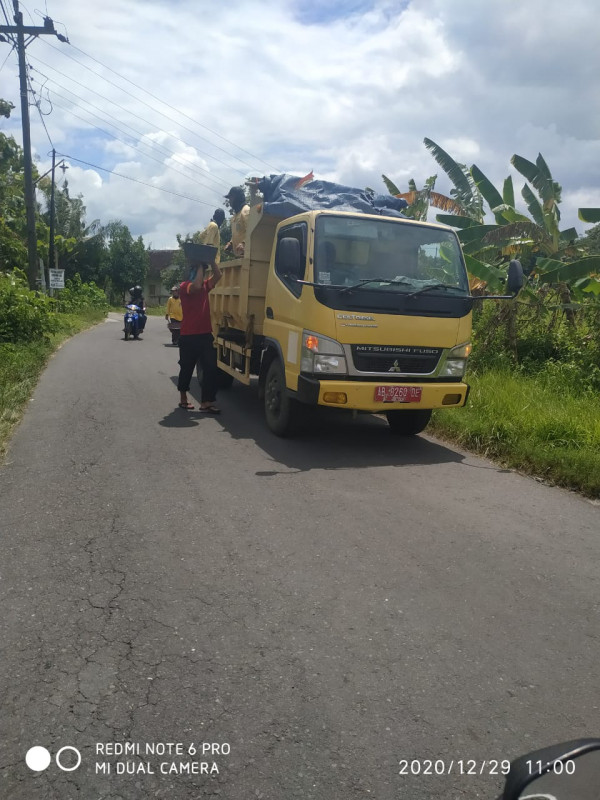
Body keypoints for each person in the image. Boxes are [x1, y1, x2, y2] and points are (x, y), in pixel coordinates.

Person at [177, 257, 222, 412]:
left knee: (210, 368)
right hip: (188, 336)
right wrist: (199, 265)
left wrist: (211, 261)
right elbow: (196, 286)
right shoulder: (184, 287)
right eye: (198, 271)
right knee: (186, 368)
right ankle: (183, 399)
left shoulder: (204, 286)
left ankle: (207, 402)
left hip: (205, 335)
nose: (200, 273)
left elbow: (218, 276)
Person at [224, 186, 250, 257]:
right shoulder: (234, 217)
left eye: (231, 198)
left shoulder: (246, 211)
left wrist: (244, 243)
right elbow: (238, 233)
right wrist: (231, 243)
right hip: (240, 257)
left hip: (249, 256)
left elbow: (253, 231)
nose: (229, 201)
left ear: (237, 197)